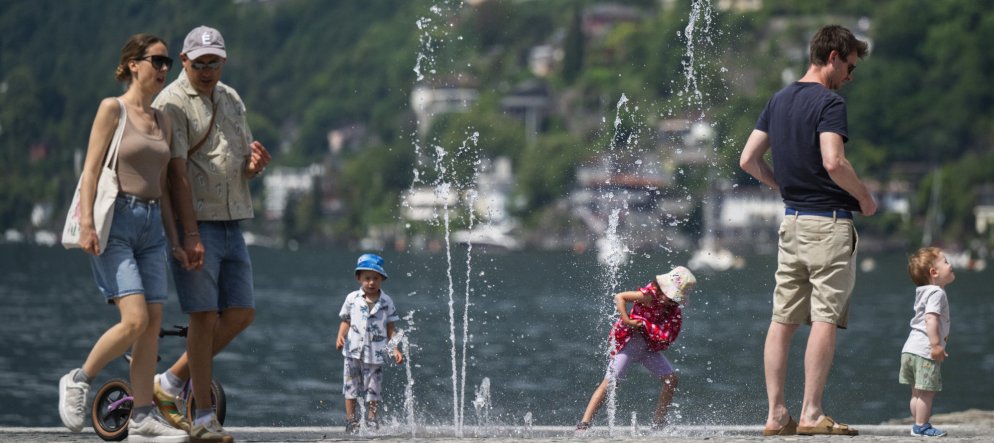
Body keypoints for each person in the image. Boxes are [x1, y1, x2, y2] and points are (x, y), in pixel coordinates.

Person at [738, 24, 877, 437]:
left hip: (792, 223)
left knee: (782, 320)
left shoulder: (778, 99)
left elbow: (748, 160)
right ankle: (812, 413)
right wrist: (865, 198)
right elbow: (834, 161)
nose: (850, 76)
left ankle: (776, 414)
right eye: (850, 66)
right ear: (833, 57)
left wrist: (782, 186)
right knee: (824, 318)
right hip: (828, 224)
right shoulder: (829, 102)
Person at [58, 33, 190, 442]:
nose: (164, 69)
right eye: (157, 61)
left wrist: (176, 239)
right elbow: (91, 170)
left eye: (167, 63)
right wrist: (87, 224)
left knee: (152, 324)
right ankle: (79, 379)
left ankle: (141, 418)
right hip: (116, 222)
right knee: (134, 320)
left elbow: (164, 187)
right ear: (133, 64)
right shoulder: (111, 109)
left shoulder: (163, 120)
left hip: (152, 227)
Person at [151, 25, 271, 443]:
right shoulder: (170, 102)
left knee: (241, 313)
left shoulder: (231, 97)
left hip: (232, 219)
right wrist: (189, 234)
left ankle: (170, 381)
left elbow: (239, 162)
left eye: (213, 63)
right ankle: (203, 417)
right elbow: (176, 174)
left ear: (223, 61)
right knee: (202, 317)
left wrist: (253, 168)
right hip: (197, 223)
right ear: (184, 61)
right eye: (199, 63)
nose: (206, 70)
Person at [576, 266, 696, 432]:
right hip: (630, 344)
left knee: (671, 379)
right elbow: (620, 296)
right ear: (663, 289)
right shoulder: (648, 296)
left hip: (648, 348)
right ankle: (584, 423)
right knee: (611, 382)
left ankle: (658, 422)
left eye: (675, 300)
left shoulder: (670, 306)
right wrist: (627, 320)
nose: (672, 302)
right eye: (671, 298)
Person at [336, 253, 404, 434]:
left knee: (374, 389)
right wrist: (340, 336)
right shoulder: (352, 298)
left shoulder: (386, 302)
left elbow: (391, 329)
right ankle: (351, 420)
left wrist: (395, 349)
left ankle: (372, 419)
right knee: (350, 387)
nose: (371, 282)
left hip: (376, 354)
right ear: (359, 278)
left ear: (382, 279)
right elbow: (346, 320)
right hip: (352, 351)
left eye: (376, 278)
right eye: (367, 278)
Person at [899, 247, 954, 437]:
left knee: (916, 393)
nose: (950, 264)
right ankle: (921, 426)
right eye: (946, 262)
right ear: (934, 272)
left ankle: (917, 423)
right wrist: (936, 345)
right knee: (927, 392)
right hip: (924, 350)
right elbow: (931, 318)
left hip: (909, 349)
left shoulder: (922, 291)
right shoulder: (937, 293)